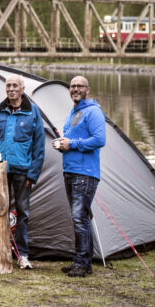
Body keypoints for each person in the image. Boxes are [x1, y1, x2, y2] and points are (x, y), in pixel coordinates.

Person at [0, 74, 45, 269]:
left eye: (15, 86)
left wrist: (33, 174)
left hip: (22, 171)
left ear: (22, 89)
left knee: (23, 212)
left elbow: (39, 146)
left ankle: (22, 255)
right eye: (8, 86)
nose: (11, 89)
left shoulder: (33, 113)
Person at [54, 75, 106, 278]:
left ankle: (81, 263)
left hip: (85, 173)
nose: (75, 89)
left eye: (79, 86)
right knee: (81, 217)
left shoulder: (93, 112)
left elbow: (99, 139)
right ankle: (84, 262)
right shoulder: (74, 112)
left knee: (79, 217)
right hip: (71, 170)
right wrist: (62, 145)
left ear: (88, 89)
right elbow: (73, 140)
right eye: (72, 86)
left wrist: (72, 144)